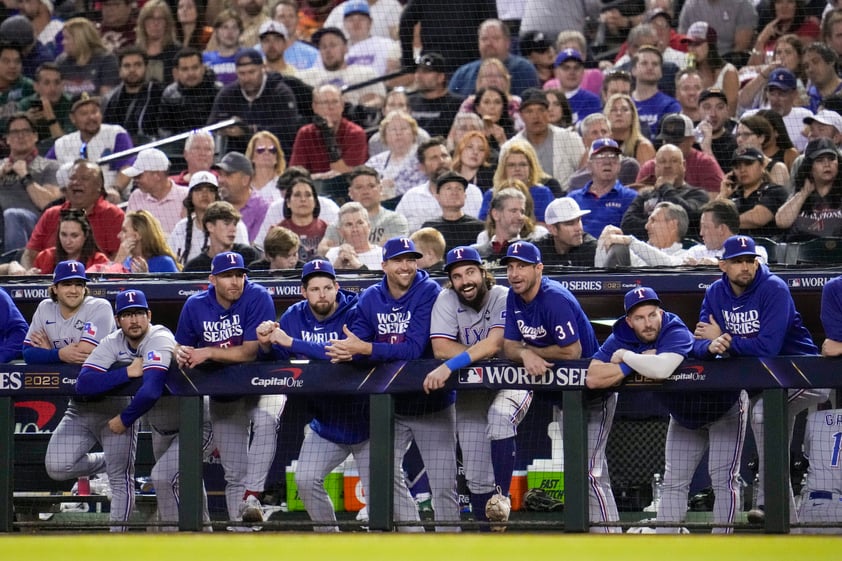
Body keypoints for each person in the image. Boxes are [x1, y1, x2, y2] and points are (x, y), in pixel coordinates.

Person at [586, 286, 748, 534]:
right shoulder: (620, 335)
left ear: (660, 313)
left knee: (724, 480)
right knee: (674, 482)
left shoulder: (674, 328)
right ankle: (665, 543)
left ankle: (722, 545)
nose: (648, 323)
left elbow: (661, 370)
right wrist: (636, 363)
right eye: (640, 318)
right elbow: (593, 378)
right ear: (629, 322)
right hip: (684, 416)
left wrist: (626, 356)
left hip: (723, 407)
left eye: (652, 315)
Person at [692, 235, 827, 525]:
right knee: (766, 416)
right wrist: (711, 345)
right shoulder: (715, 293)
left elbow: (768, 349)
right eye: (737, 261)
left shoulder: (773, 288)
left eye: (749, 260)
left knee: (763, 413)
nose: (745, 266)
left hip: (803, 374)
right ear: (723, 265)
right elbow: (700, 341)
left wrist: (724, 341)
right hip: (766, 384)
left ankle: (767, 500)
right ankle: (788, 523)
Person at [325, 237, 452, 532]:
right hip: (390, 405)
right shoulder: (370, 297)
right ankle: (412, 538)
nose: (406, 266)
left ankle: (452, 543)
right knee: (381, 472)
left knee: (443, 484)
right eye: (398, 260)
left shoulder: (429, 291)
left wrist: (368, 349)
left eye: (411, 259)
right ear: (384, 266)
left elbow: (414, 349)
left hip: (431, 402)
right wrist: (353, 348)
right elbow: (353, 344)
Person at [499, 241, 618, 532]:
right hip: (566, 398)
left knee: (589, 472)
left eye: (522, 266)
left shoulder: (554, 299)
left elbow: (572, 352)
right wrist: (526, 353)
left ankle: (610, 538)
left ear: (539, 268)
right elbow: (509, 346)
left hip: (594, 392)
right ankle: (605, 532)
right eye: (511, 267)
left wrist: (532, 351)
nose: (514, 274)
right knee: (587, 471)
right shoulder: (515, 298)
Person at [75, 289, 211, 531]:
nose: (134, 320)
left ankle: (177, 544)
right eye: (127, 315)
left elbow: (150, 391)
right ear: (118, 320)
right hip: (162, 428)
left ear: (149, 315)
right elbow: (83, 384)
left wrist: (124, 419)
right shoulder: (112, 342)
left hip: (196, 423)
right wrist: (126, 372)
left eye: (138, 313)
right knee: (185, 481)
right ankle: (204, 536)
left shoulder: (159, 337)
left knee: (163, 478)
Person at [422, 246, 531, 531]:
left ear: (483, 272)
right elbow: (440, 347)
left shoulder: (502, 295)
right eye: (457, 276)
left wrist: (454, 364)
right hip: (472, 389)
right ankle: (490, 537)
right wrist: (479, 355)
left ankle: (502, 497)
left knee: (499, 417)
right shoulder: (446, 299)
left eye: (470, 272)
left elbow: (496, 343)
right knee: (474, 473)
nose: (465, 281)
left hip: (513, 379)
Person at [255, 259, 364, 531]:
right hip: (326, 422)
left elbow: (342, 353)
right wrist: (266, 345)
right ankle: (329, 540)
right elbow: (279, 357)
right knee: (305, 479)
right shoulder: (293, 315)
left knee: (389, 494)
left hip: (367, 421)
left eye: (328, 287)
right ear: (304, 291)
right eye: (315, 289)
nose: (322, 294)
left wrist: (291, 342)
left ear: (337, 287)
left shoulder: (355, 311)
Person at [175, 251, 280, 525]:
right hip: (224, 392)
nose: (235, 281)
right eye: (227, 276)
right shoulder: (195, 305)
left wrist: (207, 352)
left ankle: (252, 495)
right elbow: (183, 348)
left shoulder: (257, 296)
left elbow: (249, 352)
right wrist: (182, 353)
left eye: (240, 275)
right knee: (234, 472)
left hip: (263, 384)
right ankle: (241, 535)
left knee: (266, 421)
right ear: (212, 279)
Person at [25, 262, 122, 528]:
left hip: (114, 403)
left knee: (121, 480)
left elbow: (84, 357)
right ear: (55, 288)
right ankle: (108, 463)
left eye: (79, 283)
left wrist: (49, 354)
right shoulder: (45, 309)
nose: (74, 289)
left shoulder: (98, 308)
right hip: (78, 407)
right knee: (57, 465)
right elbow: (27, 353)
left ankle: (123, 539)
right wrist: (58, 354)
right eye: (67, 283)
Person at [22, 160, 125, 269]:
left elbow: (118, 258)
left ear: (99, 186)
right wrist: (30, 278)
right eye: (72, 178)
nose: (76, 182)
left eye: (84, 179)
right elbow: (29, 254)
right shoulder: (51, 214)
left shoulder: (113, 216)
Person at [207, 48, 300, 156]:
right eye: (242, 73)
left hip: (276, 155)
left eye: (252, 72)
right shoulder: (227, 94)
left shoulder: (280, 93)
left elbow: (287, 130)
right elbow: (211, 126)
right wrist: (223, 129)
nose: (247, 78)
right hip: (237, 157)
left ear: (263, 68)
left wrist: (247, 131)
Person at [46, 94, 134, 198]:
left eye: (94, 112)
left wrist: (116, 189)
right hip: (74, 203)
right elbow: (45, 172)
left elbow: (127, 166)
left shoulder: (116, 133)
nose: (91, 117)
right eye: (84, 113)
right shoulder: (61, 144)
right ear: (73, 118)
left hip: (112, 198)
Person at [622, 143, 710, 240]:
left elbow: (689, 218)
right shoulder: (645, 195)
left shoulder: (698, 194)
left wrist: (666, 187)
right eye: (662, 161)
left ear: (684, 165)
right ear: (655, 167)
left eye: (674, 161)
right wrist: (660, 225)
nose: (667, 166)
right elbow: (627, 225)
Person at [395, 137, 483, 232]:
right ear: (422, 167)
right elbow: (397, 231)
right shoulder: (412, 197)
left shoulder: (472, 192)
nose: (441, 161)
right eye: (434, 158)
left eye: (445, 156)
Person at [0, 113, 60, 253]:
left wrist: (25, 176)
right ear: (7, 139)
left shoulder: (49, 166)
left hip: (36, 226)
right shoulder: (1, 167)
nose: (20, 136)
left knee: (12, 215)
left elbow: (47, 204)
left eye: (25, 131)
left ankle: (15, 266)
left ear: (35, 136)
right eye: (15, 132)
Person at [503, 88, 584, 191]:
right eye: (529, 111)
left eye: (541, 110)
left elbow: (583, 175)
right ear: (521, 115)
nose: (536, 116)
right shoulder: (510, 147)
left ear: (547, 112)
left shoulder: (569, 139)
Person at [317, 166, 409, 255]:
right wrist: (341, 250)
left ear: (380, 189)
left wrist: (347, 251)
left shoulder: (395, 220)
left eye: (371, 186)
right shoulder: (338, 224)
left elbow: (393, 251)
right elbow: (322, 250)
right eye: (359, 187)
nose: (365, 191)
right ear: (350, 192)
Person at [168, 171, 250, 266]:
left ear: (216, 195)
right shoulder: (181, 227)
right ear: (190, 195)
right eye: (199, 189)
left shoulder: (235, 225)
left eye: (210, 190)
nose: (205, 194)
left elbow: (245, 259)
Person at [289, 84, 368, 179]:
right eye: (325, 103)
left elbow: (346, 176)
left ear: (342, 106)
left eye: (335, 102)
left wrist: (328, 137)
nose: (331, 107)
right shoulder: (305, 133)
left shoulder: (356, 133)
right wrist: (321, 177)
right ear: (315, 107)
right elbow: (294, 175)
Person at [567, 138, 639, 239]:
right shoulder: (573, 199)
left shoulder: (631, 198)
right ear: (589, 165)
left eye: (613, 157)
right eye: (600, 156)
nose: (607, 162)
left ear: (619, 165)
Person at [298, 26, 385, 107]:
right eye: (323, 47)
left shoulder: (365, 74)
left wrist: (359, 110)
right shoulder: (306, 77)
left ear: (345, 48)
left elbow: (378, 100)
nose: (328, 50)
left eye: (333, 45)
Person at [448, 19, 538, 97]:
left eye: (495, 38)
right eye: (484, 39)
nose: (489, 43)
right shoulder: (463, 73)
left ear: (507, 43)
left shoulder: (524, 70)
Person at [776, 137, 842, 241]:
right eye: (820, 160)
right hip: (802, 254)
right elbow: (782, 222)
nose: (827, 164)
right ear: (809, 167)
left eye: (831, 159)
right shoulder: (801, 194)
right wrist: (804, 193)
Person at [718, 146, 788, 239]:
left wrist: (721, 224)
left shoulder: (775, 191)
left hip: (765, 248)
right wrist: (723, 195)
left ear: (762, 165)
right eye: (737, 166)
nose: (742, 170)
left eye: (748, 163)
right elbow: (709, 219)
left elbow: (757, 218)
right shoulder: (733, 195)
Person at [479, 141, 556, 222]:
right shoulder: (492, 195)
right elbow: (484, 226)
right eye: (511, 165)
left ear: (530, 168)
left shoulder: (542, 193)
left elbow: (550, 225)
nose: (517, 169)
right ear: (504, 170)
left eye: (522, 164)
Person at [596, 202, 690, 268]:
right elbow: (601, 273)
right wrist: (602, 243)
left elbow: (669, 266)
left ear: (672, 225)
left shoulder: (689, 254)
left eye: (653, 220)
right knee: (617, 247)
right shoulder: (635, 253)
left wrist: (631, 241)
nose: (646, 226)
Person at [100, 47, 162, 142]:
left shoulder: (158, 95)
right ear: (120, 70)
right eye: (127, 66)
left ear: (146, 67)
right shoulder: (110, 99)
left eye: (137, 65)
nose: (132, 70)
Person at [123, 148, 189, 236]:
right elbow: (128, 232)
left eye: (139, 176)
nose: (135, 180)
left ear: (157, 175)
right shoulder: (136, 196)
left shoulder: (186, 196)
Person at [364, 110, 427, 201]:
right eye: (393, 129)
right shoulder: (374, 162)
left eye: (404, 128)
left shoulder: (424, 158)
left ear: (413, 133)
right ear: (384, 136)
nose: (398, 133)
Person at [158, 48, 222, 137]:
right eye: (185, 69)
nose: (190, 73)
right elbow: (165, 129)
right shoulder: (169, 94)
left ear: (203, 68)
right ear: (176, 73)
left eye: (195, 68)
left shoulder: (218, 91)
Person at [473, 186, 548, 262]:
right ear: (495, 214)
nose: (520, 217)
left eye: (522, 212)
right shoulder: (476, 254)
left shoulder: (532, 251)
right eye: (513, 211)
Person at [685, 199, 769, 265]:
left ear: (721, 228)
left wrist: (719, 264)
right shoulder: (696, 252)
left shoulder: (753, 250)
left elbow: (755, 265)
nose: (701, 233)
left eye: (705, 227)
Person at [681, 22, 739, 116]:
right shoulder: (685, 70)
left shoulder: (728, 72)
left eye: (697, 44)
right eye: (689, 44)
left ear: (710, 45)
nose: (692, 49)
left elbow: (730, 112)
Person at [183, 201, 258, 272]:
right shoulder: (194, 267)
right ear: (210, 227)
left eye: (234, 224)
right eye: (226, 224)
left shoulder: (248, 255)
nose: (233, 229)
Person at [421, 171, 486, 252]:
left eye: (459, 188)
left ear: (465, 196)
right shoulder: (429, 229)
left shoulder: (479, 227)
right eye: (448, 188)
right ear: (437, 197)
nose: (454, 192)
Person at [32, 209, 110, 274]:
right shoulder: (45, 257)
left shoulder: (99, 260)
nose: (68, 242)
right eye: (63, 235)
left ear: (86, 235)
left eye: (74, 236)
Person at [214, 151, 269, 243]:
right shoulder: (214, 206)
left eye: (228, 175)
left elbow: (256, 248)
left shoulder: (263, 209)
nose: (221, 180)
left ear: (245, 180)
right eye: (220, 175)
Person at [408, 52, 465, 139]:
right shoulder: (408, 102)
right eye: (417, 71)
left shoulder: (458, 104)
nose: (418, 76)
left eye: (425, 72)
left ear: (441, 77)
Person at [57, 18, 120, 96]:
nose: (63, 42)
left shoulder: (106, 60)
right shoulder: (61, 61)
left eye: (66, 38)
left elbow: (107, 99)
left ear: (80, 39)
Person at [630, 45, 681, 139]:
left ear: (661, 72)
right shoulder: (624, 104)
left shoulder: (671, 106)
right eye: (644, 63)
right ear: (633, 70)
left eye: (655, 64)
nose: (650, 67)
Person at [19, 63, 75, 146]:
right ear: (36, 86)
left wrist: (50, 116)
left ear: (62, 85)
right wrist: (26, 122)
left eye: (57, 83)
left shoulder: (71, 104)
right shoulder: (25, 105)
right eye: (47, 83)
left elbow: (65, 146)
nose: (53, 88)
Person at [109, 210, 181, 273]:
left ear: (137, 236)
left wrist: (146, 276)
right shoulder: (124, 262)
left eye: (124, 231)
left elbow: (176, 288)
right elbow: (106, 287)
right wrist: (118, 261)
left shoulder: (164, 263)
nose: (118, 235)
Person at [535, 197, 597, 267]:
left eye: (579, 220)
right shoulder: (537, 251)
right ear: (552, 229)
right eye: (570, 223)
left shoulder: (592, 250)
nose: (578, 228)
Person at [734, 114, 790, 188]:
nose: (740, 139)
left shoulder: (777, 168)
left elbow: (779, 198)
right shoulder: (736, 168)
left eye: (746, 135)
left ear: (761, 138)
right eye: (738, 135)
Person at [135, 0, 182, 84]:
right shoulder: (134, 52)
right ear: (143, 23)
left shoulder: (178, 52)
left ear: (167, 23)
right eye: (150, 18)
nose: (155, 23)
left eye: (160, 19)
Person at [325, 201, 381, 270]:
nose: (355, 229)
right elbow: (324, 280)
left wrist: (355, 263)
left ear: (369, 226)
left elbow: (382, 280)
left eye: (360, 223)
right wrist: (338, 263)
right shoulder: (332, 254)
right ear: (340, 231)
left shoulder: (382, 254)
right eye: (349, 224)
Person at [246, 130, 286, 204]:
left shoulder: (285, 185)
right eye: (260, 150)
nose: (267, 153)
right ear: (252, 157)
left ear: (277, 158)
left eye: (272, 150)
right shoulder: (244, 185)